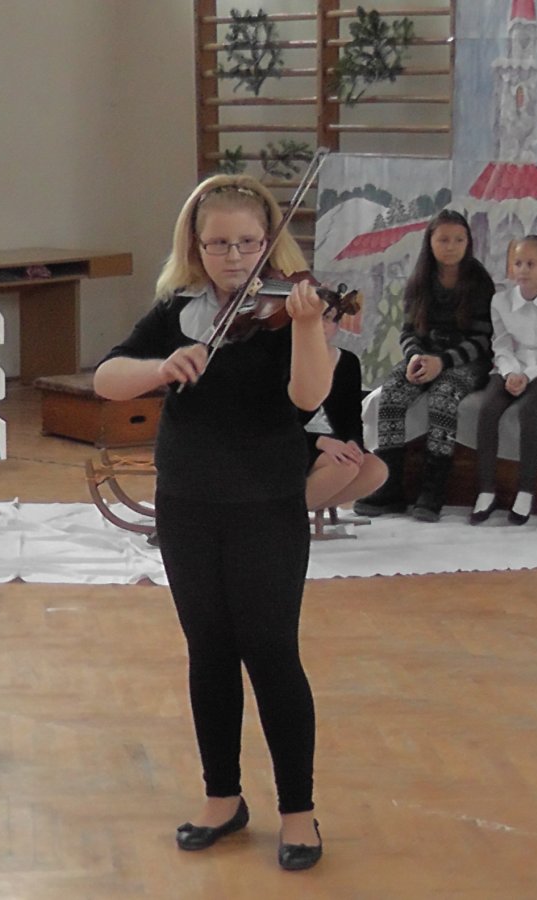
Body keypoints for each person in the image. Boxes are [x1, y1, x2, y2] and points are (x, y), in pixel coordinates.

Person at [93, 174, 333, 871]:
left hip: (265, 503)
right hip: (188, 501)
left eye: (248, 243)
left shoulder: (289, 308)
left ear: (270, 243)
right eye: (219, 244)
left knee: (272, 651)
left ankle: (298, 811)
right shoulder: (179, 310)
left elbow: (308, 396)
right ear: (195, 246)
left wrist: (309, 324)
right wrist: (159, 368)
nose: (234, 257)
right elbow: (107, 378)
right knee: (209, 649)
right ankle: (222, 797)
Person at [352, 209, 496, 522]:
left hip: (467, 360)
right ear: (429, 242)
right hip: (425, 356)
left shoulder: (479, 281)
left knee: (443, 396)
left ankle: (434, 489)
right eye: (443, 240)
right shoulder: (419, 280)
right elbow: (408, 331)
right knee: (391, 394)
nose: (451, 246)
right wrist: (415, 357)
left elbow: (483, 340)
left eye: (459, 240)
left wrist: (442, 362)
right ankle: (389, 486)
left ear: (469, 242)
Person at [470, 235, 537, 526]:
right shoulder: (500, 301)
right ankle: (486, 490)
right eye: (517, 263)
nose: (523, 270)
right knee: (488, 409)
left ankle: (526, 490)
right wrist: (511, 372)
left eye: (531, 264)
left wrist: (528, 376)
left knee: (529, 409)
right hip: (511, 367)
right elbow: (502, 345)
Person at [304, 309, 387, 514]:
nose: (322, 324)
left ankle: (300, 509)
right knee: (344, 468)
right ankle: (280, 517)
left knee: (376, 470)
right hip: (296, 441)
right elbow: (278, 421)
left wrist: (353, 442)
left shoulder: (347, 361)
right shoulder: (285, 358)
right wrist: (321, 442)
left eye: (329, 318)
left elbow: (351, 416)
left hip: (334, 441)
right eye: (316, 317)